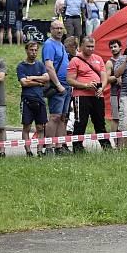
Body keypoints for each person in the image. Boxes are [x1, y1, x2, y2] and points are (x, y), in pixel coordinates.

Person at [66, 36, 110, 152]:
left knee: (100, 122)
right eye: (88, 46)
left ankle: (106, 146)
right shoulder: (75, 60)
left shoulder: (98, 58)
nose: (91, 49)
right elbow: (70, 80)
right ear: (81, 46)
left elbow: (104, 76)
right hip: (81, 96)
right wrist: (85, 85)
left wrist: (102, 87)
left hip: (97, 95)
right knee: (81, 122)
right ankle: (77, 147)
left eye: (93, 46)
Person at [42, 20, 72, 155]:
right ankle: (48, 147)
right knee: (54, 116)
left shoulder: (60, 44)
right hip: (58, 85)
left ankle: (59, 146)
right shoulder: (49, 44)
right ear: (51, 30)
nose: (59, 31)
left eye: (61, 28)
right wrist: (58, 85)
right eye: (56, 28)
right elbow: (49, 66)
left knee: (63, 117)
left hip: (67, 85)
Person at [16, 41, 49, 156]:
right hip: (27, 100)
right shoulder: (21, 66)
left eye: (36, 50)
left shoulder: (40, 65)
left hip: (40, 100)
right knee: (27, 127)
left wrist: (32, 78)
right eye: (31, 50)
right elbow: (24, 83)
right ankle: (28, 151)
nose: (34, 52)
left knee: (40, 127)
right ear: (26, 50)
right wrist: (39, 83)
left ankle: (40, 151)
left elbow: (46, 78)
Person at [104, 39, 124, 142]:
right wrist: (118, 76)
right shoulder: (109, 62)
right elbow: (106, 79)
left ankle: (125, 143)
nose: (113, 49)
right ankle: (115, 142)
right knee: (115, 118)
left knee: (125, 119)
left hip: (126, 93)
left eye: (115, 46)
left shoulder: (125, 59)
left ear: (120, 47)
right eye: (111, 47)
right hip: (115, 94)